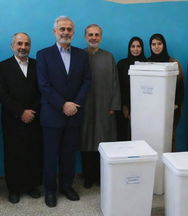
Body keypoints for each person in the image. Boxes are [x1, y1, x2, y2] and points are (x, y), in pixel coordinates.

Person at [36, 16, 91, 207]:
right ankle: (50, 191)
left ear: (73, 33)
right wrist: (63, 104)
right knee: (50, 155)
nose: (65, 32)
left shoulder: (81, 55)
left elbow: (86, 82)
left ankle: (67, 187)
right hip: (52, 115)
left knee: (69, 154)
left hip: (74, 114)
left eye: (69, 29)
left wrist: (74, 103)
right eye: (62, 29)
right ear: (54, 31)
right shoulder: (43, 55)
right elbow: (44, 85)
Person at [0, 32, 42, 203]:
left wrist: (31, 111)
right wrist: (20, 112)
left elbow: (42, 91)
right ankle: (14, 189)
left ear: (30, 46)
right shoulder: (2, 67)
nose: (23, 47)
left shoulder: (38, 65)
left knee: (33, 152)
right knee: (13, 154)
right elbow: (2, 94)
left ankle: (31, 186)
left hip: (34, 117)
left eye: (26, 44)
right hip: (12, 119)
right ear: (12, 46)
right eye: (19, 43)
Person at [80, 24, 120, 188]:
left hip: (105, 107)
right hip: (84, 106)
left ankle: (101, 176)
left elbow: (115, 82)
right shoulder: (79, 56)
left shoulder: (108, 57)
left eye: (97, 35)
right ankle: (88, 177)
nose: (93, 38)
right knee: (86, 141)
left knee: (103, 142)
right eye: (90, 35)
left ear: (101, 37)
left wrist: (114, 104)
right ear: (85, 37)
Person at [148, 33, 184, 151]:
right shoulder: (146, 63)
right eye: (153, 44)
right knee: (152, 139)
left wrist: (176, 104)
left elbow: (180, 87)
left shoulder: (174, 63)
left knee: (169, 139)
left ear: (164, 45)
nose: (156, 47)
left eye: (159, 43)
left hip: (170, 109)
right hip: (151, 110)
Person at [117, 36, 147, 141]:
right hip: (125, 107)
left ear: (142, 48)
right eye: (133, 46)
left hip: (144, 107)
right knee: (124, 136)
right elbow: (118, 87)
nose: (135, 49)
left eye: (138, 46)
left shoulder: (147, 64)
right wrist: (125, 106)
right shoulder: (121, 64)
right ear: (129, 48)